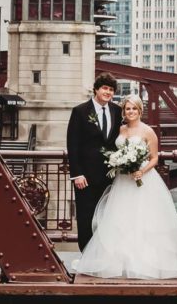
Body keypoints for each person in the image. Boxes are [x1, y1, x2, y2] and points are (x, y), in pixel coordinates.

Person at [74, 94, 177, 279]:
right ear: (124, 111)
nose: (130, 112)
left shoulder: (147, 131)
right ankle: (120, 263)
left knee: (144, 221)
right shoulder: (120, 129)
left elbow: (154, 158)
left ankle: (144, 263)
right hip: (122, 181)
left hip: (143, 180)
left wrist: (141, 171)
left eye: (134, 108)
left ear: (140, 111)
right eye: (127, 108)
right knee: (120, 219)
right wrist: (120, 162)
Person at [66, 73, 122, 250]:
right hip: (86, 177)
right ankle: (86, 256)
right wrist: (77, 174)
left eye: (111, 90)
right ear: (96, 89)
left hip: (110, 176)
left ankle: (103, 254)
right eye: (105, 88)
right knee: (85, 216)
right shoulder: (80, 111)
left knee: (107, 216)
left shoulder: (117, 111)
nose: (108, 92)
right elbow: (72, 144)